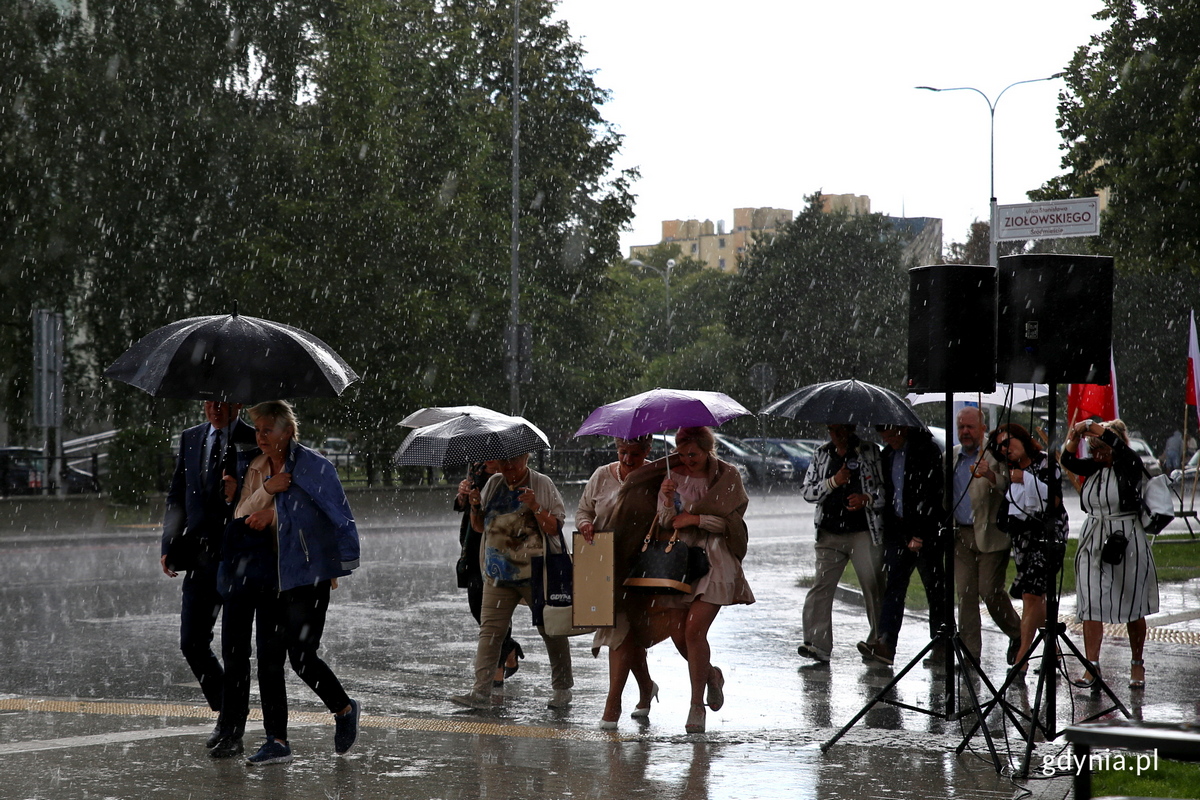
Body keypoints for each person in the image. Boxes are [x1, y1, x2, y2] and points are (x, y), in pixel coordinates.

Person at [217, 400, 361, 765]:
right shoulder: (258, 466)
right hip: (268, 577)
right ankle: (277, 740)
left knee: (302, 657)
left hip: (308, 578)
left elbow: (332, 520)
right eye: (259, 430)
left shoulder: (316, 467)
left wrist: (277, 515)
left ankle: (344, 709)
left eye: (268, 430)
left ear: (288, 431)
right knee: (268, 659)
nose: (261, 437)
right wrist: (267, 491)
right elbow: (240, 513)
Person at [610, 426, 753, 734]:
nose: (687, 460)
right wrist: (668, 501)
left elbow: (731, 521)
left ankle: (696, 705)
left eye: (693, 454)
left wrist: (697, 518)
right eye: (681, 452)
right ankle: (711, 676)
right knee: (679, 633)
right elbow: (664, 521)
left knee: (694, 630)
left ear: (707, 450)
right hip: (681, 560)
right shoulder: (672, 475)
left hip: (715, 560)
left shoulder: (727, 476)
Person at [160, 400, 254, 749]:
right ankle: (228, 709)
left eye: (223, 401)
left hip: (237, 555)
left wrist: (238, 490)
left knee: (235, 648)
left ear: (238, 403)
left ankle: (232, 727)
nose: (215, 408)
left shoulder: (253, 438)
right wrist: (169, 543)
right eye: (209, 401)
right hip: (199, 556)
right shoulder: (191, 437)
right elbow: (178, 494)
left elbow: (265, 491)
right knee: (192, 642)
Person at [451, 452, 573, 710]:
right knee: (490, 632)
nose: (509, 467)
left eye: (515, 461)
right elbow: (479, 527)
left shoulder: (542, 483)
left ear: (527, 457)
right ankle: (480, 692)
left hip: (537, 573)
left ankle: (562, 689)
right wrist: (474, 505)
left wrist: (536, 506)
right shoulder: (494, 483)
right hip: (498, 573)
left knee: (551, 629)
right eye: (504, 462)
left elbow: (554, 527)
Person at [1061, 418, 1159, 690]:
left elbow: (1118, 446)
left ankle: (1137, 662)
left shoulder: (1129, 465)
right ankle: (1092, 665)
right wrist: (1074, 435)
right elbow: (1068, 460)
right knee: (1091, 602)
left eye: (1102, 450)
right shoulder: (1094, 468)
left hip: (1125, 537)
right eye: (1093, 450)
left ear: (1115, 448)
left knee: (1132, 603)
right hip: (1094, 537)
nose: (1097, 455)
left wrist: (1092, 426)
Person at [576, 435, 659, 729]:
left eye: (635, 454)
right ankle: (643, 688)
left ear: (647, 451)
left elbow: (666, 519)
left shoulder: (656, 476)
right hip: (604, 565)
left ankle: (614, 704)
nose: (627, 460)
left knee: (626, 631)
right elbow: (584, 510)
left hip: (641, 566)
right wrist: (585, 524)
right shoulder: (601, 476)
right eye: (623, 452)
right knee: (623, 632)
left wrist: (670, 499)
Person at [798, 423, 885, 664]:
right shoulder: (821, 454)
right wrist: (834, 481)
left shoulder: (870, 451)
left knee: (873, 585)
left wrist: (867, 499)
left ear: (852, 428)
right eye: (833, 430)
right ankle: (817, 644)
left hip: (863, 532)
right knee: (822, 586)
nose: (838, 436)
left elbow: (885, 490)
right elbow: (807, 492)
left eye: (843, 430)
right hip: (829, 532)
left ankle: (879, 642)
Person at [992, 423, 1068, 671]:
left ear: (1022, 439)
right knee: (1034, 597)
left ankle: (1023, 656)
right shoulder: (1011, 470)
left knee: (1031, 595)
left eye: (1007, 442)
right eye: (999, 446)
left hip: (1047, 536)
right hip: (1023, 539)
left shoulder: (1045, 462)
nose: (1004, 449)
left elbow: (1054, 500)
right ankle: (1053, 652)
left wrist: (1026, 478)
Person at [950, 407, 1022, 665]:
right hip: (961, 536)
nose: (965, 432)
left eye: (970, 427)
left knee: (989, 591)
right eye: (961, 427)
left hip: (992, 535)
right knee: (966, 594)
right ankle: (970, 655)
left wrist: (990, 474)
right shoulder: (952, 456)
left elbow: (1010, 487)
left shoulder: (995, 455)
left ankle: (1018, 633)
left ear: (982, 429)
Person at [869, 425, 944, 667]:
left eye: (891, 435)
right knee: (894, 588)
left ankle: (941, 645)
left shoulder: (926, 450)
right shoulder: (888, 454)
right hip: (898, 532)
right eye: (884, 438)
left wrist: (920, 533)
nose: (889, 440)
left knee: (935, 590)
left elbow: (932, 493)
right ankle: (886, 643)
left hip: (926, 532)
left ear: (903, 429)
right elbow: (890, 494)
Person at [454, 462, 524, 688]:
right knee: (478, 606)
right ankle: (509, 647)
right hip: (474, 546)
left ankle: (497, 671)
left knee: (498, 609)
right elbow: (462, 507)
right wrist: (464, 494)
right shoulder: (475, 469)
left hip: (500, 545)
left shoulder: (512, 471)